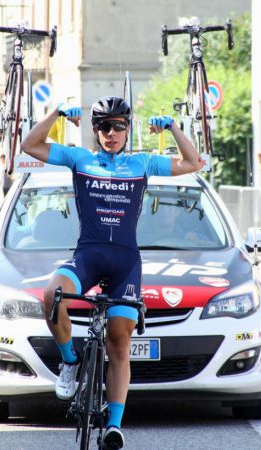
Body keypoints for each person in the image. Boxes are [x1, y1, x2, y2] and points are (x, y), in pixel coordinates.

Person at [21, 96, 204, 450]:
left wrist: (172, 127)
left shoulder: (142, 162)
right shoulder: (80, 158)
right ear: (95, 130)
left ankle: (115, 426)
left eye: (119, 126)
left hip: (125, 263)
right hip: (88, 256)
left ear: (128, 128)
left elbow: (194, 162)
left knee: (119, 342)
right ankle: (70, 362)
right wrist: (56, 113)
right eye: (104, 126)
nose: (112, 133)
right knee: (52, 296)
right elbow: (31, 145)